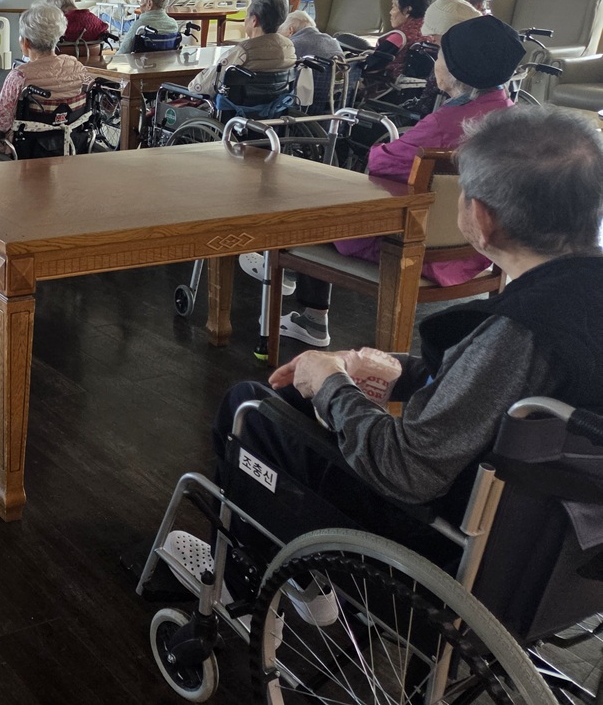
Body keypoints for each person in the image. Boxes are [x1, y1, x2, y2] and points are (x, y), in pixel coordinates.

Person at [215, 105, 603, 527]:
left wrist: (331, 386)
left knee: (249, 405)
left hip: (441, 526)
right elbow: (485, 389)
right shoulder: (577, 296)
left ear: (482, 218)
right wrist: (390, 371)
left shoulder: (523, 332)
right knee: (295, 397)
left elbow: (406, 470)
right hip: (552, 524)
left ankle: (240, 554)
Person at [262, 15, 525, 354]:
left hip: (409, 247)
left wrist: (380, 148)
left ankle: (311, 316)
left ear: (458, 70)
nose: (436, 62)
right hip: (477, 251)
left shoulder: (444, 124)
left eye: (440, 54)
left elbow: (381, 162)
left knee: (316, 205)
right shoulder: (512, 118)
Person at [0, 3, 93, 134]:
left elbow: (0, 124)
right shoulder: (76, 66)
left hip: (28, 144)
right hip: (71, 140)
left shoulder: (19, 76)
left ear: (26, 42)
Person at [187, 0, 297, 115]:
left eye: (246, 16)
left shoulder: (244, 51)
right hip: (274, 114)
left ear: (254, 20)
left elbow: (202, 87)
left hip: (236, 115)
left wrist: (190, 87)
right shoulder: (289, 47)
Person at [358, 0, 435, 95]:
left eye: (394, 6)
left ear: (407, 10)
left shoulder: (399, 37)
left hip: (390, 91)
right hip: (422, 90)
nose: (390, 12)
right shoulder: (431, 33)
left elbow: (373, 65)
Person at [282, 10, 343, 112]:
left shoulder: (293, 44)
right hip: (334, 103)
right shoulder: (333, 42)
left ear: (290, 30)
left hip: (304, 104)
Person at [115, 0, 180, 53]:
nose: (140, 4)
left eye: (142, 0)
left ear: (149, 4)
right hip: (168, 60)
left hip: (145, 60)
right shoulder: (173, 24)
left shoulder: (140, 26)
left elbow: (123, 52)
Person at [45, 0, 109, 45]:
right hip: (95, 53)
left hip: (66, 54)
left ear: (56, 9)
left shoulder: (61, 24)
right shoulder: (94, 19)